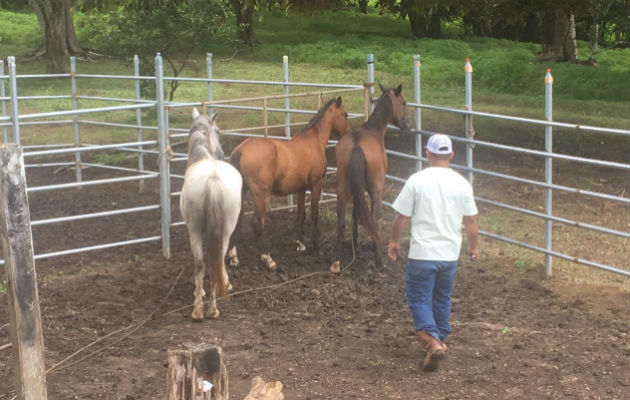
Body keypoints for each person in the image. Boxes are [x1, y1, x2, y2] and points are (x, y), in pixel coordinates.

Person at [387, 133, 479, 372]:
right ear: (450, 154)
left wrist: (394, 241)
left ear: (427, 153)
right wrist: (473, 246)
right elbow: (470, 220)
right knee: (442, 297)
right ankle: (441, 338)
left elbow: (401, 216)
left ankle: (430, 339)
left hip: (423, 253)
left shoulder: (417, 181)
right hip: (449, 255)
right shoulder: (462, 183)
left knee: (418, 298)